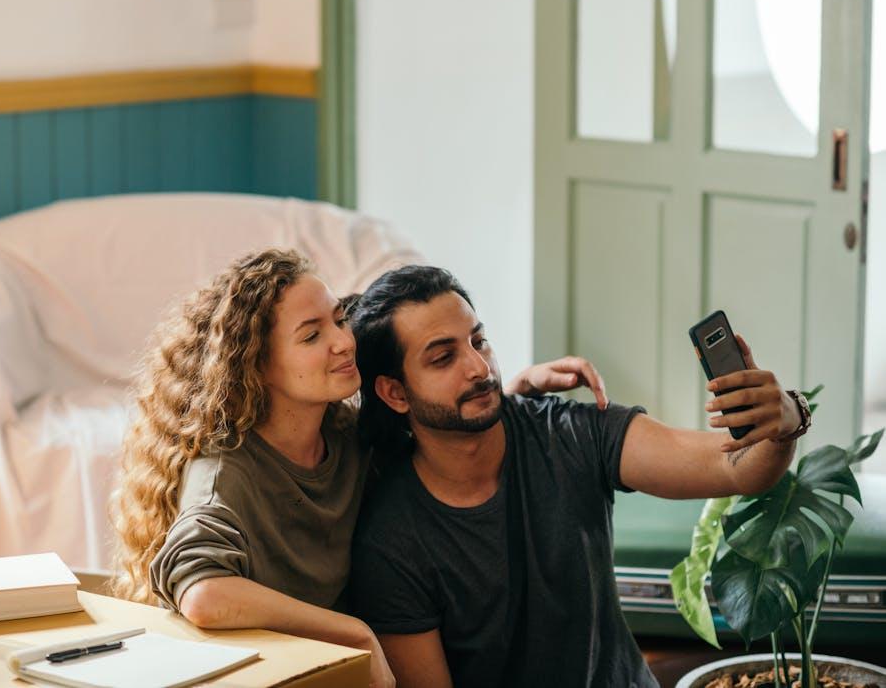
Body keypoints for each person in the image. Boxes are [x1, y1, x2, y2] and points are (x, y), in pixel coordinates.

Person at [110, 249, 610, 688]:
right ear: (256, 366)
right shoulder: (225, 473)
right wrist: (353, 632)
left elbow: (432, 418)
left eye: (338, 319)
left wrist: (511, 392)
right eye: (312, 336)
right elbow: (202, 595)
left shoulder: (345, 434)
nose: (343, 342)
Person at [346, 265, 811, 687]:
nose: (479, 367)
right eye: (442, 358)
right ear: (394, 393)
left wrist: (785, 419)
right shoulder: (392, 541)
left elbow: (734, 468)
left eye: (478, 340)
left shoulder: (566, 432)